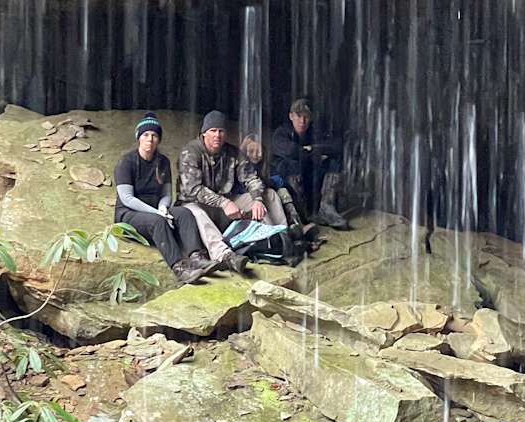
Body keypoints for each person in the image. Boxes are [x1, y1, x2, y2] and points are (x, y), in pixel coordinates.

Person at [112, 115, 217, 284]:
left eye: (154, 135)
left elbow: (166, 194)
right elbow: (127, 198)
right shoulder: (126, 162)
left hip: (155, 211)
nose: (150, 139)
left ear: (159, 139)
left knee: (184, 213)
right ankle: (180, 268)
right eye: (146, 135)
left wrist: (163, 208)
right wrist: (157, 213)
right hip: (128, 214)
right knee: (157, 222)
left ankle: (197, 257)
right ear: (139, 137)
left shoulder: (163, 162)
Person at [178, 111, 285, 273]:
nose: (217, 135)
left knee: (269, 195)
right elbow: (193, 189)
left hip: (225, 206)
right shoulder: (190, 152)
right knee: (195, 212)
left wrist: (257, 200)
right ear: (204, 133)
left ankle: (282, 238)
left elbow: (251, 178)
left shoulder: (232, 152)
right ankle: (225, 256)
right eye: (213, 131)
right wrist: (224, 202)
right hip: (195, 205)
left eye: (221, 131)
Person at [270, 97, 350, 229]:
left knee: (334, 161)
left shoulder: (313, 132)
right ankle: (301, 214)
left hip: (310, 179)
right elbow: (291, 151)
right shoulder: (281, 133)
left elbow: (336, 146)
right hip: (286, 185)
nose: (302, 121)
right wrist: (311, 153)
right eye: (299, 116)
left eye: (306, 117)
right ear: (291, 116)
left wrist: (313, 148)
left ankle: (326, 207)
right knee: (291, 163)